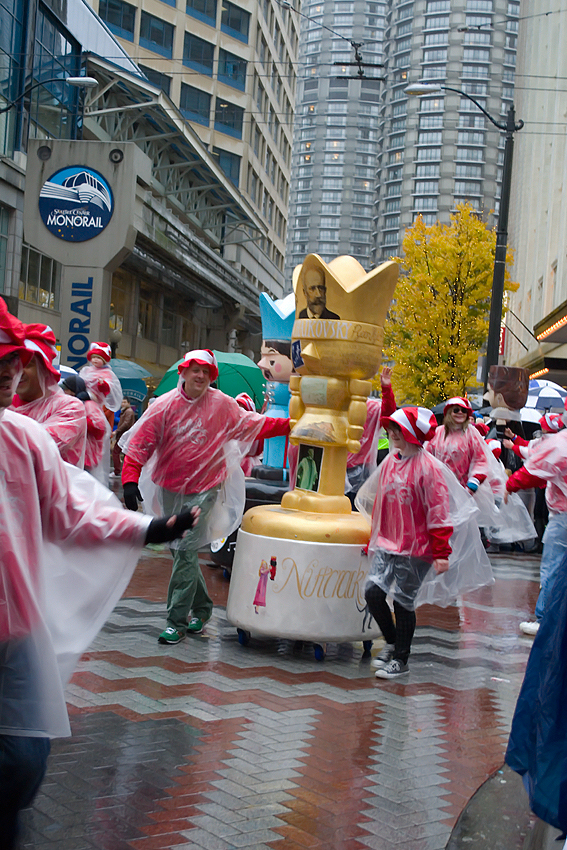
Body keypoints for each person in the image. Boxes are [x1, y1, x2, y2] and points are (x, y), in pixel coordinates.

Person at [0, 297, 200, 849]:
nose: (8, 372)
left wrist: (147, 528)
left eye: (13, 360)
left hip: (16, 629)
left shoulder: (24, 439)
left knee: (24, 760)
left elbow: (69, 513)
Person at [121, 348, 291, 644]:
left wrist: (292, 425)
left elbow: (254, 424)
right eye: (195, 369)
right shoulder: (163, 406)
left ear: (211, 376)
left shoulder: (222, 404)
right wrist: (129, 480)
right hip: (169, 487)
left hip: (206, 488)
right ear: (184, 372)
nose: (200, 376)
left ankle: (176, 621)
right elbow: (140, 444)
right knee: (179, 552)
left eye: (205, 371)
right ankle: (202, 606)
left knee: (185, 548)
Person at [362, 407, 453, 679]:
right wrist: (373, 539)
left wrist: (441, 551)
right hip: (388, 542)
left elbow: (439, 511)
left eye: (398, 430)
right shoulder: (391, 461)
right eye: (391, 429)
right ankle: (392, 642)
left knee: (403, 601)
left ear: (411, 433)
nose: (392, 434)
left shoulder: (429, 469)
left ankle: (401, 659)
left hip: (417, 548)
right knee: (373, 592)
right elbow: (381, 503)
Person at [506, 404, 567, 636]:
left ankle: (545, 620)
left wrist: (511, 485)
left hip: (563, 518)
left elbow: (535, 469)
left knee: (553, 568)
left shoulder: (560, 443)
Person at [11, 322, 86, 467]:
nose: (19, 371)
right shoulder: (6, 404)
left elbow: (36, 448)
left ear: (45, 369)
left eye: (27, 364)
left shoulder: (71, 408)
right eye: (14, 363)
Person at [426, 397, 490, 493]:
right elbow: (426, 457)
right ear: (449, 412)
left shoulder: (471, 433)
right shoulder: (438, 432)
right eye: (456, 410)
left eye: (464, 411)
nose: (460, 413)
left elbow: (480, 459)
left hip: (464, 491)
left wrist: (473, 483)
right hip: (438, 489)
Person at [61, 374, 109, 477]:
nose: (63, 391)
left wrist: (78, 418)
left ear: (73, 391)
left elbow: (99, 427)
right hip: (73, 458)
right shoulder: (69, 404)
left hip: (85, 459)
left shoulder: (88, 404)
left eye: (66, 389)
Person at [111, 397, 135, 477]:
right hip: (124, 435)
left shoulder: (128, 412)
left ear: (128, 403)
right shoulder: (125, 411)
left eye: (125, 402)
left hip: (124, 436)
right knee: (125, 453)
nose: (123, 404)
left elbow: (126, 423)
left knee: (116, 452)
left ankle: (117, 471)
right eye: (122, 402)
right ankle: (125, 471)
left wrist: (117, 431)